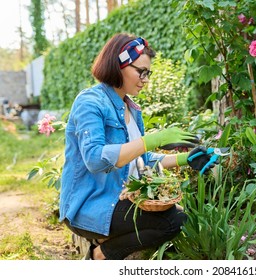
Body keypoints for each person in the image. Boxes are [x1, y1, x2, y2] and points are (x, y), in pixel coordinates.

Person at [59, 33, 215, 260]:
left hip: (120, 199)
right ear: (118, 65)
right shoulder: (90, 103)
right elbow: (94, 158)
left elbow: (141, 158)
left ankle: (104, 246)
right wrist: (152, 139)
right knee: (172, 220)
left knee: (178, 216)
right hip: (89, 205)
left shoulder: (132, 109)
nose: (145, 79)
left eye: (148, 73)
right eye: (140, 71)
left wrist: (185, 159)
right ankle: (99, 255)